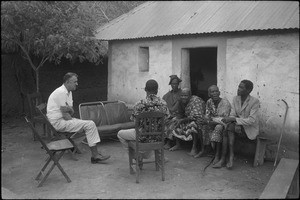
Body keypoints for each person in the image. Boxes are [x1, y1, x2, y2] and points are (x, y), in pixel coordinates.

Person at [46, 72, 110, 164]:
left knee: (87, 126)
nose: (77, 84)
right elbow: (66, 114)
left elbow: (71, 111)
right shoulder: (61, 92)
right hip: (58, 122)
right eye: (75, 82)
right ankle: (95, 156)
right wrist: (71, 115)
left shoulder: (69, 92)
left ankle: (71, 145)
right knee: (90, 124)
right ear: (68, 82)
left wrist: (69, 112)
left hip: (63, 120)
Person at [117, 79, 170, 164]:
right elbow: (167, 120)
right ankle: (159, 157)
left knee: (120, 134)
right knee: (158, 130)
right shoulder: (163, 104)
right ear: (157, 90)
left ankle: (136, 157)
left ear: (145, 89)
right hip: (159, 138)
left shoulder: (139, 104)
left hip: (142, 137)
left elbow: (135, 122)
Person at [213, 80, 260, 169]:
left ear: (248, 90)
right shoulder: (236, 99)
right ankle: (228, 157)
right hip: (236, 127)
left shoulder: (254, 101)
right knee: (227, 128)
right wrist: (236, 122)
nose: (238, 89)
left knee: (228, 128)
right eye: (239, 86)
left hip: (249, 129)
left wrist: (235, 120)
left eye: (241, 87)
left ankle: (225, 158)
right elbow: (232, 114)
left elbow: (252, 120)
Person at [195, 85, 231, 164]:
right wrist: (203, 120)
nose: (215, 93)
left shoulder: (225, 103)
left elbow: (223, 120)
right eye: (212, 92)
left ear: (219, 92)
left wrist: (208, 121)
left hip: (222, 124)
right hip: (212, 122)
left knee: (218, 128)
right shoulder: (209, 101)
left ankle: (217, 154)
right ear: (209, 94)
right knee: (200, 124)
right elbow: (207, 115)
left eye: (216, 91)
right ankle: (203, 149)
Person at [169, 88, 206, 156]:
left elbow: (197, 116)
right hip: (187, 119)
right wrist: (178, 119)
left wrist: (182, 120)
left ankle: (194, 148)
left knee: (194, 125)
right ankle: (178, 144)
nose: (183, 97)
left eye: (185, 95)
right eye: (182, 95)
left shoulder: (196, 100)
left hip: (198, 120)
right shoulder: (181, 101)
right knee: (174, 121)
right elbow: (180, 113)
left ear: (190, 95)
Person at [162, 75, 182, 150]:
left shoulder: (181, 93)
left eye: (176, 83)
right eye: (172, 84)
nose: (174, 85)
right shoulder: (166, 96)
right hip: (169, 115)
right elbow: (163, 107)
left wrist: (169, 110)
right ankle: (165, 140)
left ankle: (170, 143)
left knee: (173, 122)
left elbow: (174, 109)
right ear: (170, 84)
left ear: (178, 84)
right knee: (163, 120)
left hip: (179, 115)